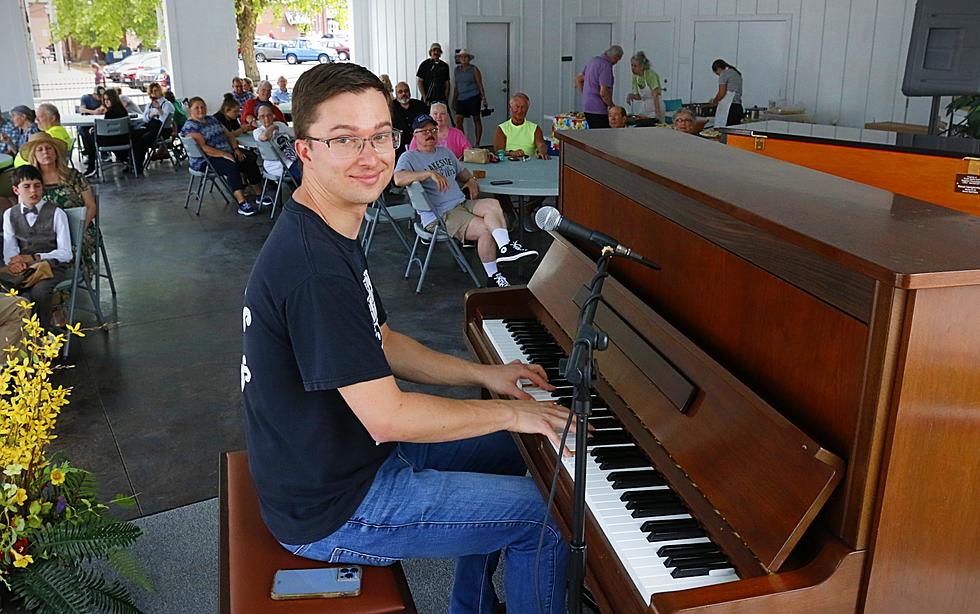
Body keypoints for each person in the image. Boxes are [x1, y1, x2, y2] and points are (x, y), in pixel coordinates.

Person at [242, 64, 568, 614]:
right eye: (344, 139)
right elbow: (387, 415)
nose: (370, 156)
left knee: (522, 454)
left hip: (350, 457)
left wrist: (483, 375)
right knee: (549, 514)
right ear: (305, 151)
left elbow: (384, 339)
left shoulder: (327, 224)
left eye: (379, 136)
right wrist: (513, 413)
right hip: (335, 505)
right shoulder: (313, 267)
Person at [398, 113, 537, 288]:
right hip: (441, 215)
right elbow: (398, 178)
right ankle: (493, 276)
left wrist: (470, 180)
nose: (429, 134)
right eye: (424, 131)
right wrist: (428, 173)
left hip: (461, 203)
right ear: (415, 135)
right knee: (486, 229)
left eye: (432, 129)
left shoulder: (444, 152)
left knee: (493, 204)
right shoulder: (409, 157)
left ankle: (506, 248)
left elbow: (461, 171)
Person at [2, 165, 72, 332]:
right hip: (23, 268)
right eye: (26, 186)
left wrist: (35, 258)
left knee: (39, 292)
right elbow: (9, 247)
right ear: (16, 190)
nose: (33, 190)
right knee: (5, 289)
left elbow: (66, 253)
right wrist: (13, 262)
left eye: (37, 185)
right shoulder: (10, 214)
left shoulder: (56, 213)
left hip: (51, 266)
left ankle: (42, 336)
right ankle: (14, 337)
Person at [20, 132, 99, 278]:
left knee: (67, 249)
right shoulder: (31, 183)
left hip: (80, 229)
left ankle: (55, 282)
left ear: (55, 152)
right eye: (40, 149)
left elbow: (91, 206)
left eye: (49, 148)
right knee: (26, 252)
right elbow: (24, 211)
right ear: (34, 155)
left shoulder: (73, 176)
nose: (45, 152)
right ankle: (48, 283)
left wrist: (77, 230)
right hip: (47, 234)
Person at [181, 97, 262, 216]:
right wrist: (224, 154)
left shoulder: (212, 119)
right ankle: (242, 203)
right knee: (231, 166)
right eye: (196, 108)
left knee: (248, 158)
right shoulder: (190, 126)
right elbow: (203, 148)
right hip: (205, 160)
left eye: (202, 106)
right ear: (190, 110)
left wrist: (235, 149)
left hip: (226, 151)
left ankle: (259, 194)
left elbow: (229, 135)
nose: (200, 110)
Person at [576, 45, 624, 129]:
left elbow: (578, 79)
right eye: (618, 59)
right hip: (598, 108)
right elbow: (603, 92)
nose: (616, 62)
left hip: (587, 106)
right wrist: (612, 106)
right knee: (602, 136)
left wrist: (585, 95)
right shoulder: (606, 66)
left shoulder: (592, 61)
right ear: (616, 56)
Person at [13, 103, 73, 167]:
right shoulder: (59, 131)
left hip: (32, 172)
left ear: (52, 118)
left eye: (40, 117)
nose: (36, 120)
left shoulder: (51, 135)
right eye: (36, 117)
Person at [493, 93, 549, 160]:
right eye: (517, 107)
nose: (520, 111)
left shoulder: (535, 128)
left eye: (523, 107)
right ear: (510, 108)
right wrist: (511, 153)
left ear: (527, 109)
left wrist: (542, 151)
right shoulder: (502, 128)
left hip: (529, 164)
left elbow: (541, 144)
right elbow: (498, 151)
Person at [452, 49, 488, 145]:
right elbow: (456, 85)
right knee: (458, 120)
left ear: (469, 59)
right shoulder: (456, 70)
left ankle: (477, 143)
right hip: (461, 98)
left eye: (465, 57)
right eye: (461, 57)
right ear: (459, 59)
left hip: (473, 97)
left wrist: (484, 98)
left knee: (476, 118)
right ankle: (463, 143)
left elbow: (479, 84)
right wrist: (454, 99)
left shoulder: (474, 69)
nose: (463, 59)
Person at [389, 81, 427, 159]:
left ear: (409, 93)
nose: (404, 94)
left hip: (419, 145)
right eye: (400, 92)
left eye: (406, 91)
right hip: (399, 148)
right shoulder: (390, 108)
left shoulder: (420, 105)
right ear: (396, 95)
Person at [626, 50, 664, 122]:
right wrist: (631, 96)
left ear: (642, 66)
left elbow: (655, 95)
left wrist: (658, 113)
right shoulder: (635, 77)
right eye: (631, 65)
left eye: (635, 66)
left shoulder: (650, 74)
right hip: (645, 107)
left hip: (656, 106)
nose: (632, 68)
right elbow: (639, 97)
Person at [253, 104, 288, 179]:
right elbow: (265, 137)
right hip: (276, 165)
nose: (266, 118)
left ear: (273, 115)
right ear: (258, 118)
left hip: (291, 160)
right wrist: (272, 126)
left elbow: (295, 134)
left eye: (269, 115)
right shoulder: (257, 131)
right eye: (262, 116)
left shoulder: (280, 125)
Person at [77, 87, 107, 176]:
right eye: (99, 96)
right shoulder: (85, 98)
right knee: (83, 131)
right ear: (94, 94)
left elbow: (105, 107)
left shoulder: (105, 100)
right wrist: (93, 112)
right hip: (88, 124)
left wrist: (102, 109)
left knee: (92, 134)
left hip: (101, 124)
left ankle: (98, 154)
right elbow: (81, 109)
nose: (101, 98)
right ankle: (89, 153)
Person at [709, 59, 744, 127]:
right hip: (738, 107)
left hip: (729, 109)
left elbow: (722, 93)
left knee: (723, 132)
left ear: (718, 68)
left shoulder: (724, 74)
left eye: (717, 73)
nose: (718, 75)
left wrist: (714, 101)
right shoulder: (736, 73)